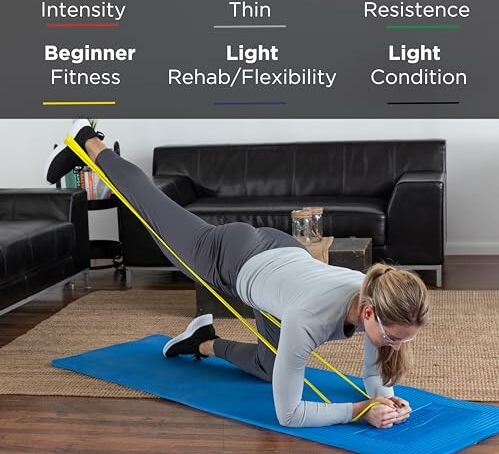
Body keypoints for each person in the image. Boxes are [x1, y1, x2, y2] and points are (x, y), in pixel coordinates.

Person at [46, 120, 429, 430]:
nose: (395, 345)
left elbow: (375, 369)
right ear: (368, 314)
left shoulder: (376, 293)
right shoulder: (308, 321)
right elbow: (290, 415)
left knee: (267, 367)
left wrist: (385, 399)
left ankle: (202, 342)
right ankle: (89, 140)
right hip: (229, 257)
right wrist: (360, 410)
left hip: (281, 262)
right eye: (395, 338)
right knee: (149, 207)